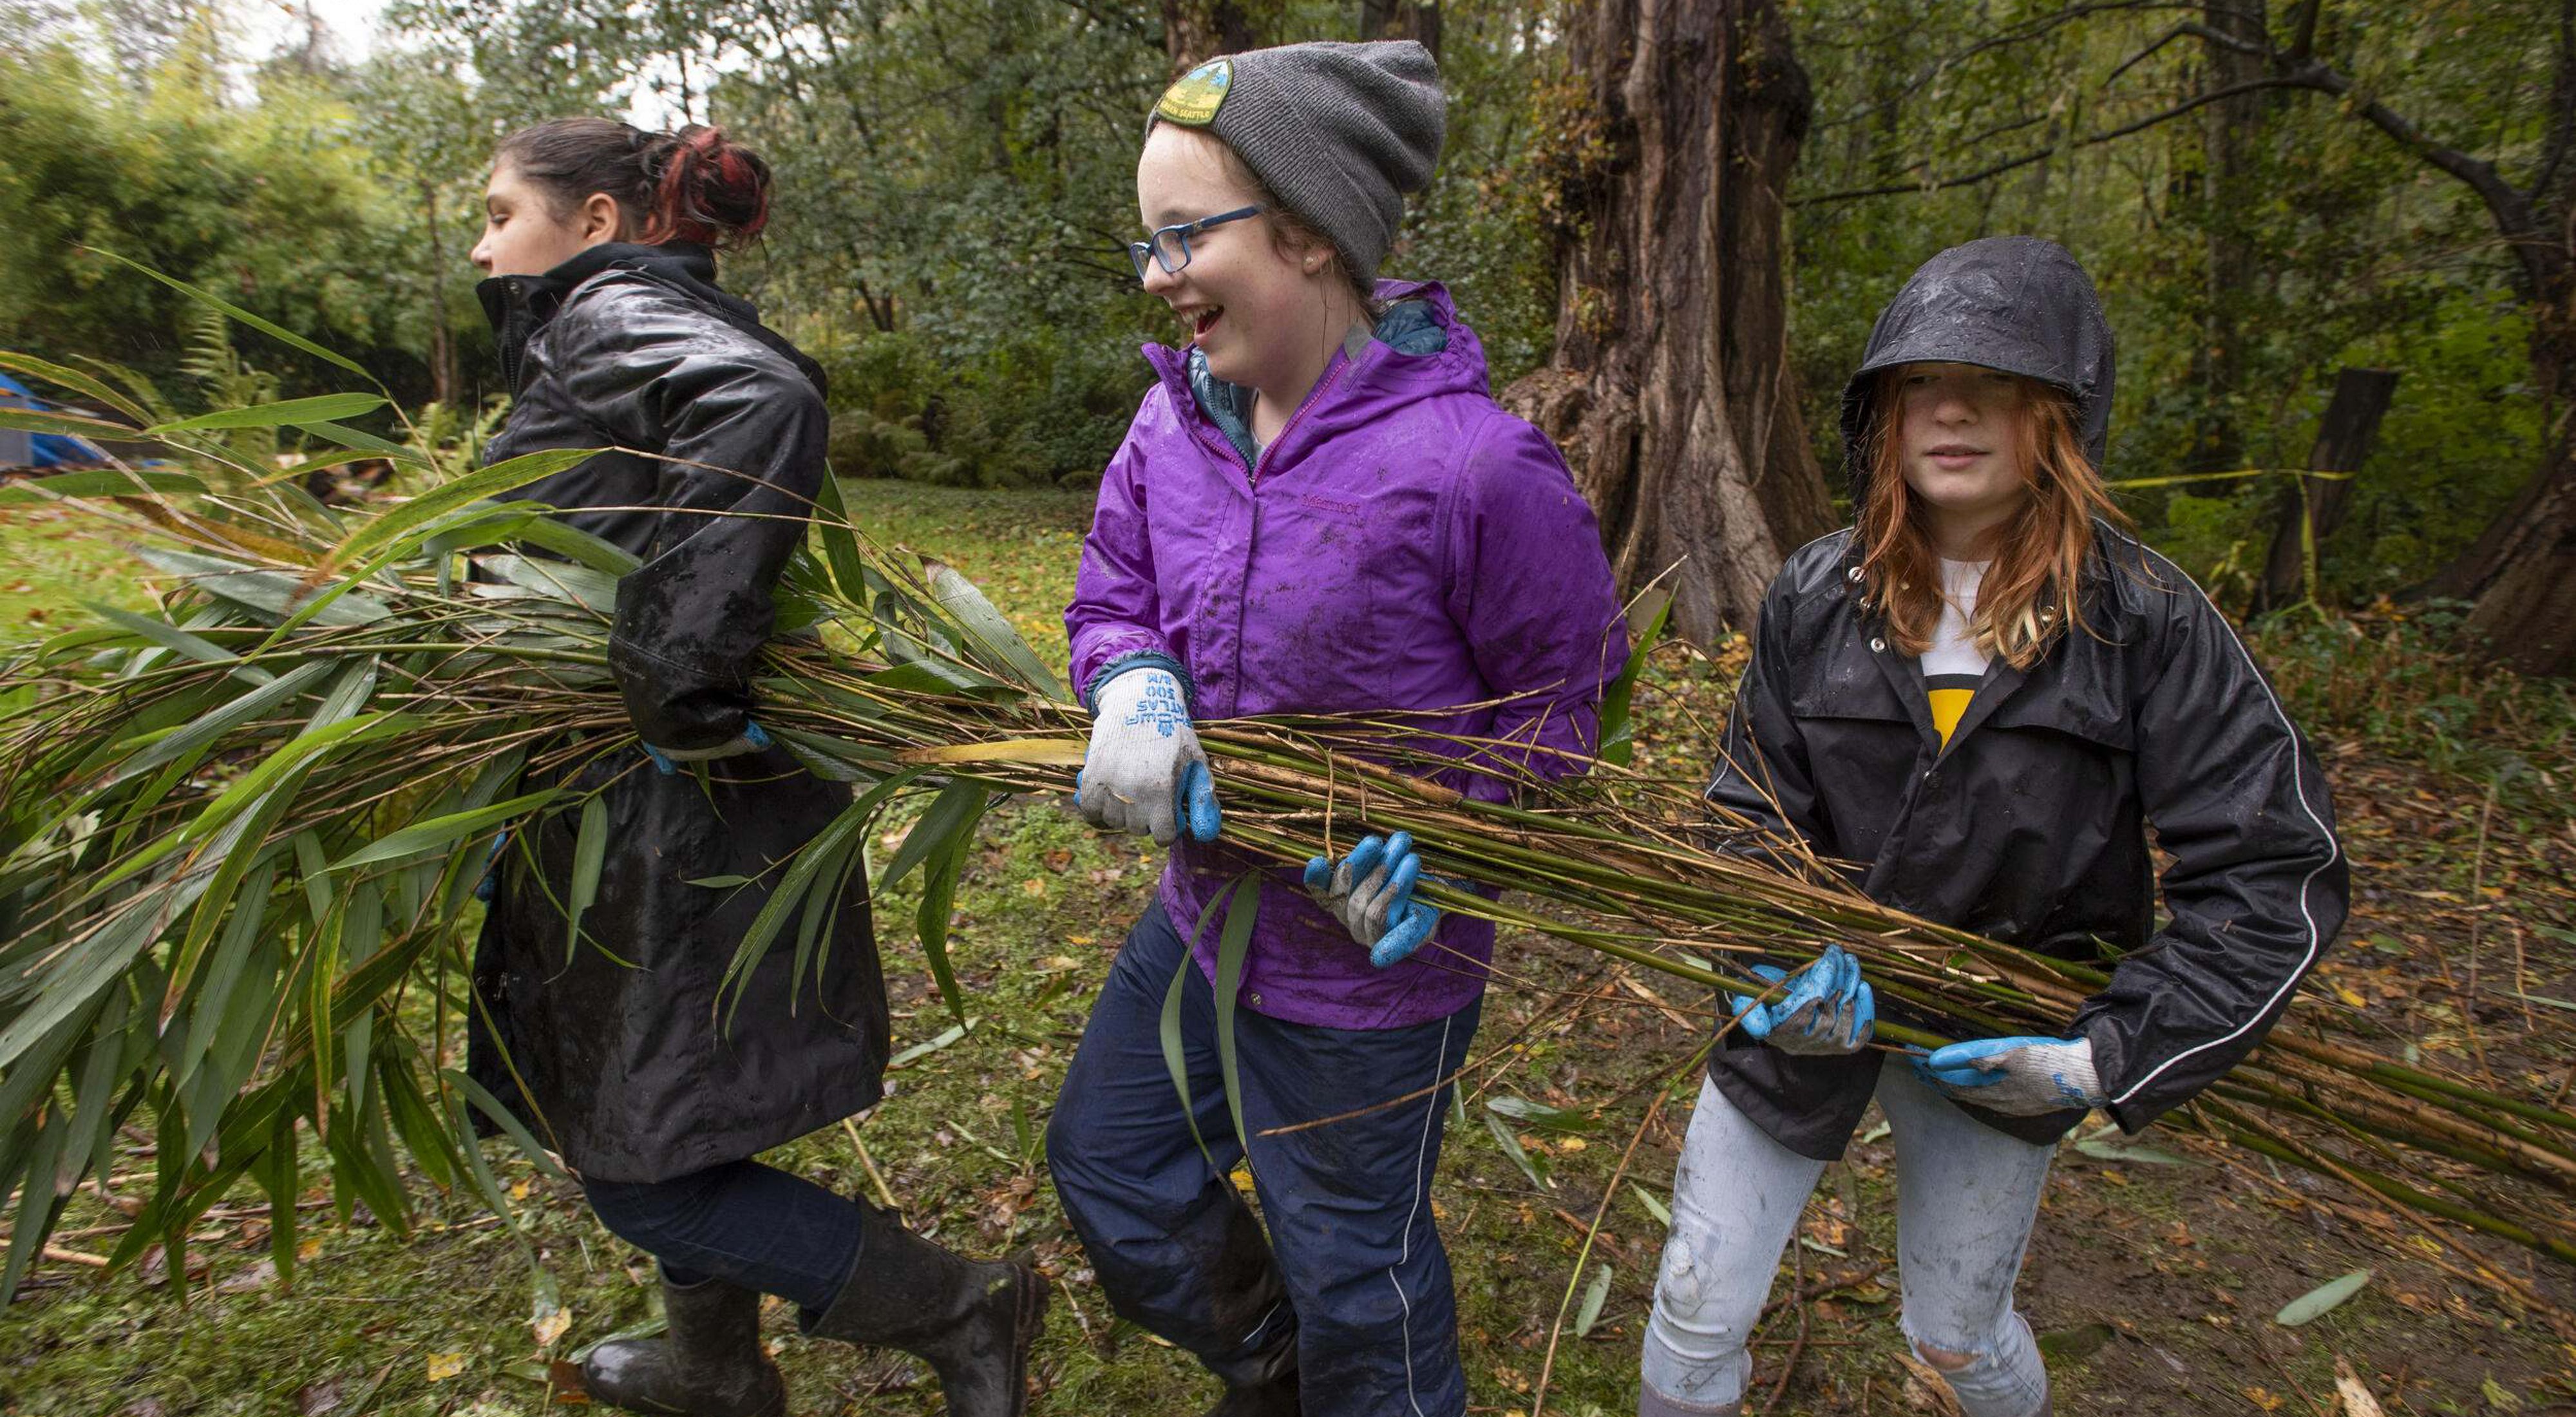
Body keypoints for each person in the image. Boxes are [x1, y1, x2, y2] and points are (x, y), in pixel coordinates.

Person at [1638, 236, 2348, 1417]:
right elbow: (1747, 816)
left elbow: (2277, 875)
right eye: (1921, 381)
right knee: (1695, 1310)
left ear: (2060, 415)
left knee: (1959, 1338)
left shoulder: (2148, 624)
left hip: (1999, 1039)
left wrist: (2101, 1058)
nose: (1952, 409)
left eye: (1998, 383)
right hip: (1812, 1022)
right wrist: (1765, 974)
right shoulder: (1817, 596)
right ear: (1883, 412)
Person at [1044, 41, 1628, 1417]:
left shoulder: (1476, 465)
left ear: (1308, 233)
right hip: (1200, 921)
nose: (1155, 273)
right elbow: (1110, 593)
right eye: (1148, 240)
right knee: (1109, 1162)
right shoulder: (1167, 424)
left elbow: (1561, 711)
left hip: (1369, 976)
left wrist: (1441, 836)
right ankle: (1274, 1368)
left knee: (1356, 1269)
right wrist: (1129, 679)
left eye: (1184, 235)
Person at [466, 117, 1043, 1417]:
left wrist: (674, 673)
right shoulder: (620, 315)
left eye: (502, 211)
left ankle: (964, 1305)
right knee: (664, 1099)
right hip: (651, 796)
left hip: (667, 797)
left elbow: (761, 402)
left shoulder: (601, 310)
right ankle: (715, 1361)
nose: (482, 239)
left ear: (598, 222)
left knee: (643, 1167)